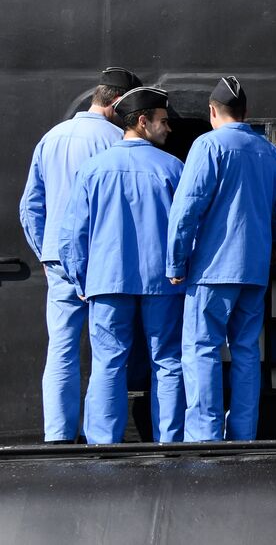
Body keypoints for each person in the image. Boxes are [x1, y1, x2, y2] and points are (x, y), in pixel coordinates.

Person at [167, 76, 276, 441]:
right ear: (245, 113)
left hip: (211, 270)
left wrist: (176, 263)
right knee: (246, 351)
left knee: (202, 350)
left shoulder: (208, 146)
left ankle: (205, 436)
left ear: (212, 111)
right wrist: (268, 240)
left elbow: (186, 209)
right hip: (254, 270)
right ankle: (243, 433)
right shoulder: (270, 152)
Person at [57, 86, 185, 444]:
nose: (168, 128)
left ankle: (103, 444)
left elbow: (71, 236)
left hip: (107, 282)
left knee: (108, 363)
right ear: (142, 122)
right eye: (163, 121)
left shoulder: (93, 170)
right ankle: (169, 442)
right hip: (164, 284)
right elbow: (187, 227)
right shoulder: (173, 168)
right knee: (168, 362)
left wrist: (82, 280)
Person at [20, 66, 140, 443]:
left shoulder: (52, 137)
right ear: (119, 103)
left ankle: (56, 435)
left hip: (58, 260)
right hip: (104, 260)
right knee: (109, 353)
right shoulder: (117, 140)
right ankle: (101, 437)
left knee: (62, 349)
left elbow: (30, 205)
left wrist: (45, 249)